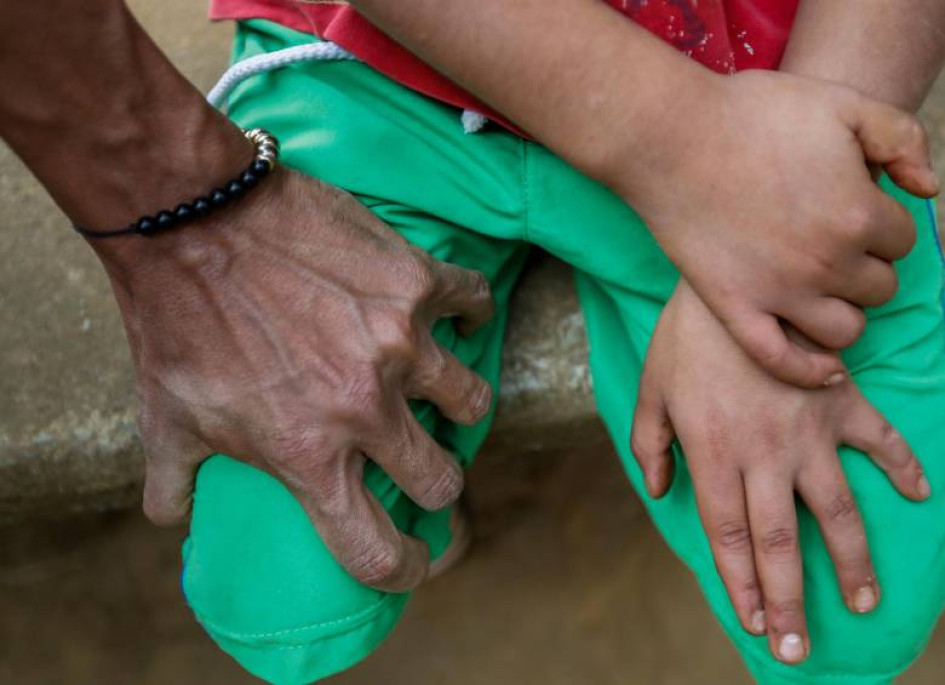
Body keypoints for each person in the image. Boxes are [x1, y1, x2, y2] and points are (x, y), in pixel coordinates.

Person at [2, 0, 944, 682]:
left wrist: (775, 206)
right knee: (281, 592)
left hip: (756, 67)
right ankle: (437, 501)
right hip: (380, 64)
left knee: (845, 619)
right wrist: (671, 147)